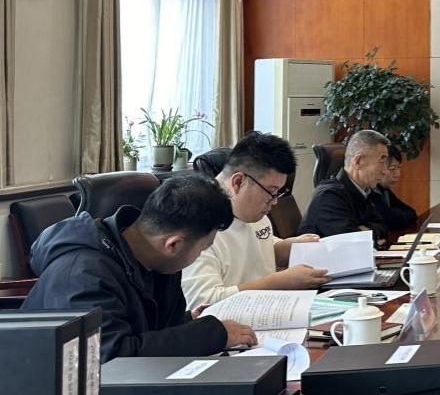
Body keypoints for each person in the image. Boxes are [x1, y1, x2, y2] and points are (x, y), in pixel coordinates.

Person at [23, 175, 257, 362]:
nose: (200, 256)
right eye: (203, 248)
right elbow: (111, 358)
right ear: (173, 244)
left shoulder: (156, 261)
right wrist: (210, 334)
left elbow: (141, 331)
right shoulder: (82, 275)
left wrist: (187, 322)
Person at [182, 131, 330, 309]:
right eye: (271, 192)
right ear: (238, 182)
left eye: (278, 193)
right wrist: (279, 282)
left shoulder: (255, 215)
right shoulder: (196, 223)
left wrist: (286, 247)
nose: (274, 202)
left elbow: (251, 250)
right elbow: (202, 303)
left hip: (270, 311)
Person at [299, 129, 392, 240]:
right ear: (358, 161)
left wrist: (365, 231)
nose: (385, 171)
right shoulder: (329, 196)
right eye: (381, 162)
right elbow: (352, 242)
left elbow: (384, 226)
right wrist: (369, 233)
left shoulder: (363, 191)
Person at [373, 145, 418, 232]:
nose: (397, 174)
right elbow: (392, 221)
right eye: (392, 168)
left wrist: (396, 215)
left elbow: (411, 212)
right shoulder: (370, 191)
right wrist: (397, 215)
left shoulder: (384, 189)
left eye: (399, 168)